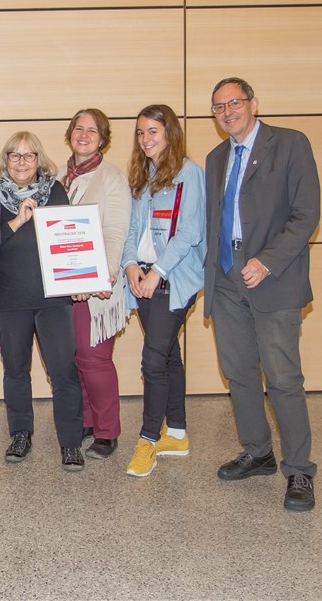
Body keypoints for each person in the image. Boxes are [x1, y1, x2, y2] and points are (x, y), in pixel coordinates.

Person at [204, 78, 320, 511]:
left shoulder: (290, 144)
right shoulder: (216, 157)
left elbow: (306, 215)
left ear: (254, 103)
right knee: (239, 373)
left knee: (283, 378)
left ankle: (300, 470)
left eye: (234, 102)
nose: (228, 111)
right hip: (227, 278)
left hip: (273, 277)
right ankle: (258, 452)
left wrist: (267, 261)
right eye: (219, 106)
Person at [0, 131, 86, 472]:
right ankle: (20, 435)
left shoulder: (54, 191)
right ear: (5, 160)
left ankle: (71, 442)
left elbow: (70, 240)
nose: (21, 162)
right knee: (16, 371)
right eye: (14, 155)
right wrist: (16, 221)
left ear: (38, 160)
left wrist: (79, 279)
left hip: (53, 299)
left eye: (29, 155)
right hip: (7, 298)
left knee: (64, 372)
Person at [120, 104, 205, 478]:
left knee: (152, 360)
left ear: (170, 132)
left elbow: (190, 232)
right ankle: (179, 434)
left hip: (173, 280)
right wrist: (130, 265)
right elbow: (132, 229)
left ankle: (148, 440)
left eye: (152, 131)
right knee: (168, 355)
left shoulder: (189, 174)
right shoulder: (142, 176)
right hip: (143, 280)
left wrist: (157, 271)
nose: (145, 139)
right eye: (140, 132)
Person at [60, 109, 132, 459]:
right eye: (79, 128)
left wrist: (105, 274)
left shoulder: (112, 178)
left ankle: (107, 431)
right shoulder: (59, 176)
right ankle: (87, 421)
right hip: (65, 288)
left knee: (94, 359)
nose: (84, 135)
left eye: (93, 130)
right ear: (70, 133)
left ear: (103, 139)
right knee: (74, 359)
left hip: (98, 288)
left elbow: (115, 231)